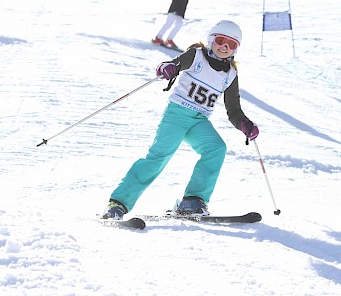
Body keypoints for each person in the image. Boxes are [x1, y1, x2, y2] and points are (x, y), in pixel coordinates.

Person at [102, 20, 259, 220]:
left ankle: (193, 201)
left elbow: (234, 110)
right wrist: (167, 68)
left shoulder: (230, 74)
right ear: (211, 40)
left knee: (216, 148)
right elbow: (175, 64)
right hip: (177, 115)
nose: (224, 47)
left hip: (199, 120)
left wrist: (245, 124)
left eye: (231, 44)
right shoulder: (197, 55)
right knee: (158, 157)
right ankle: (118, 204)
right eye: (221, 40)